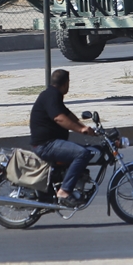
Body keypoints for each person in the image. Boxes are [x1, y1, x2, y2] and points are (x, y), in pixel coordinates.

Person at [29, 69, 96, 207]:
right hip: (46, 145)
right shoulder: (52, 96)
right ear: (66, 84)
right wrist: (80, 129)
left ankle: (65, 184)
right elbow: (59, 118)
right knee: (82, 153)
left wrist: (89, 129)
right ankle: (64, 191)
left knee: (82, 150)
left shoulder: (52, 95)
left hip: (50, 142)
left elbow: (68, 115)